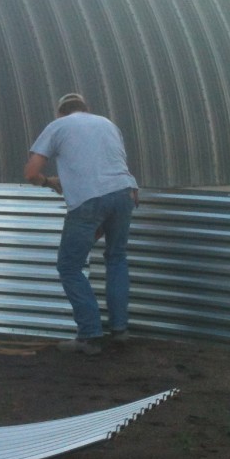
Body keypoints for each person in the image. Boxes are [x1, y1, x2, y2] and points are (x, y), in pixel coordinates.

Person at [24, 93, 139, 355]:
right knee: (116, 258)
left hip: (89, 200)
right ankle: (120, 330)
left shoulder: (58, 126)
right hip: (124, 193)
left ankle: (89, 335)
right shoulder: (107, 124)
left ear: (60, 113)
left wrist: (48, 182)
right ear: (86, 109)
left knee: (69, 266)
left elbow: (31, 173)